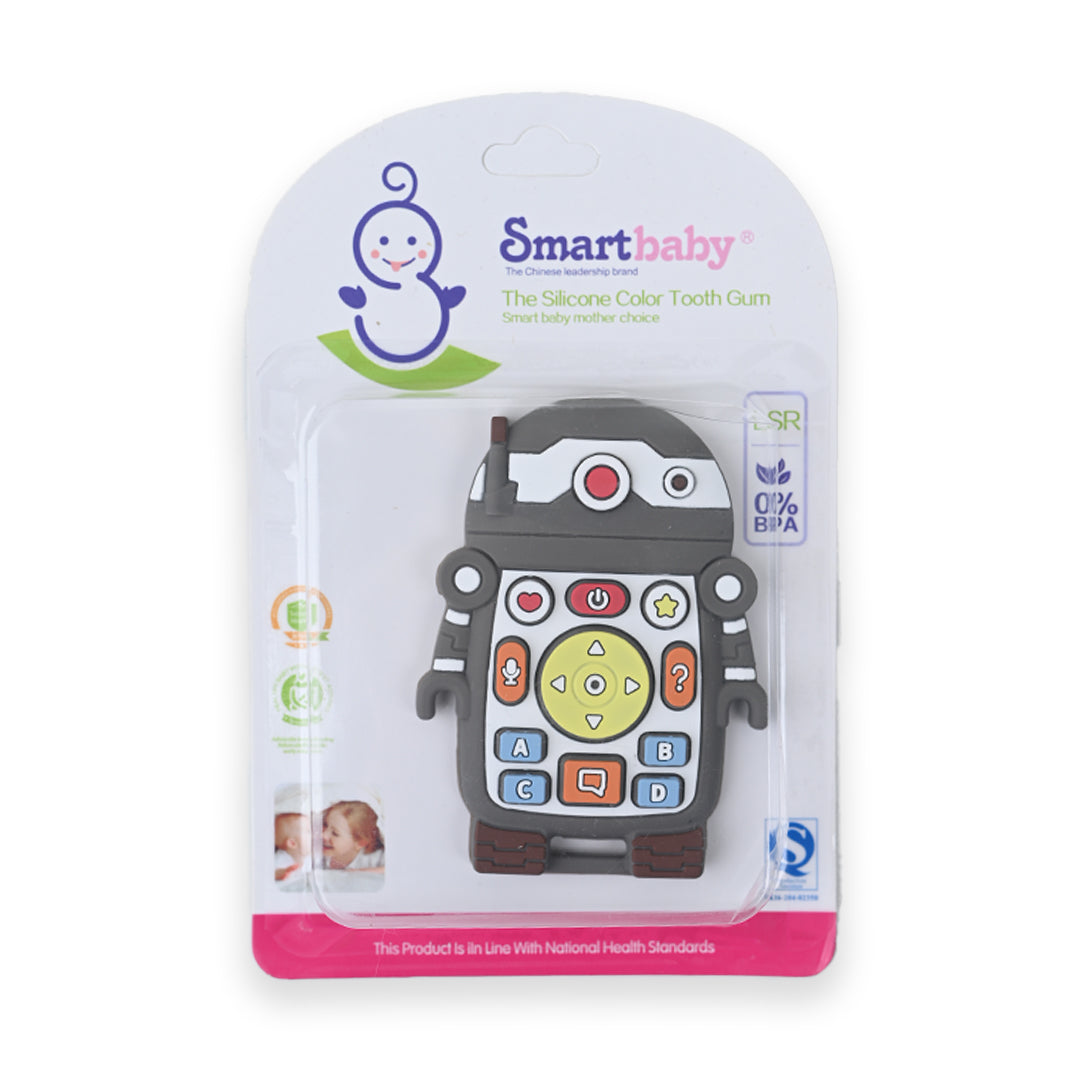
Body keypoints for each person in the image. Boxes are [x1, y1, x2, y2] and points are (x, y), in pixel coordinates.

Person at [322, 801, 384, 870]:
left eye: (335, 833)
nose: (323, 835)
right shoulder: (318, 851)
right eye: (325, 825)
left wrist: (359, 872)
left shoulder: (375, 858)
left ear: (360, 843)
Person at [274, 812, 312, 881]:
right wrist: (277, 873)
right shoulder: (279, 860)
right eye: (308, 831)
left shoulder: (309, 856)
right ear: (292, 843)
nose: (315, 834)